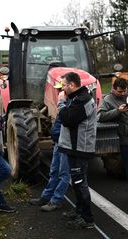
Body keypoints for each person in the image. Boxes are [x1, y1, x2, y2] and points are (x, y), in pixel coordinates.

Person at [57, 72, 96, 229]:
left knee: (80, 182)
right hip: (74, 147)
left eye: (64, 85)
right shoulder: (77, 98)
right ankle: (79, 211)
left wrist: (60, 102)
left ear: (72, 85)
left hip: (79, 147)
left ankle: (87, 219)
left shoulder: (83, 100)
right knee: (77, 181)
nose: (63, 89)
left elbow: (67, 119)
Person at [29, 81, 70, 212]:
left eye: (61, 89)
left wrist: (61, 102)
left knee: (64, 173)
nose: (58, 92)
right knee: (54, 171)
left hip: (66, 143)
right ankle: (46, 196)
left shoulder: (69, 103)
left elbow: (66, 120)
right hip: (58, 141)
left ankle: (56, 200)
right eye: (58, 90)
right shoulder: (63, 102)